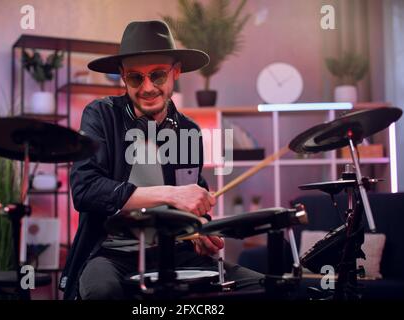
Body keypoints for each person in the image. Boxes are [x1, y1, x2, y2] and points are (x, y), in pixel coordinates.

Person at [60, 20, 263, 300]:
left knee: (262, 287)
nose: (147, 87)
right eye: (135, 77)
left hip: (176, 252)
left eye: (157, 75)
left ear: (175, 71)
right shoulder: (101, 115)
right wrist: (172, 194)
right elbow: (86, 190)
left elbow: (193, 196)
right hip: (112, 254)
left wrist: (199, 230)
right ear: (122, 76)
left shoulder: (189, 130)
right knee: (102, 293)